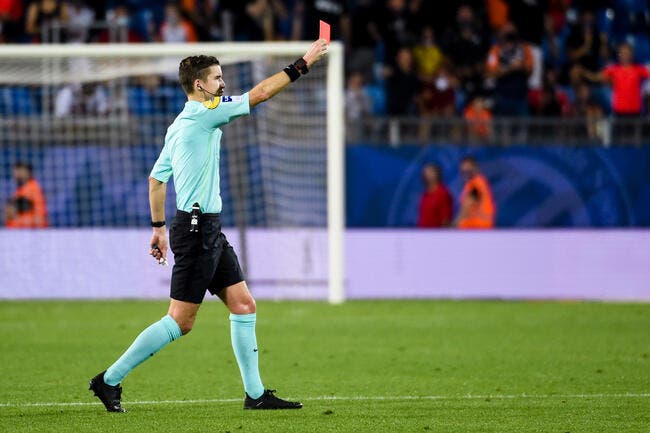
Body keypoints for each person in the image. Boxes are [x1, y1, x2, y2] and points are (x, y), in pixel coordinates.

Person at [88, 38, 329, 412]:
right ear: (200, 85)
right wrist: (306, 61)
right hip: (197, 230)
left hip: (202, 227)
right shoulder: (206, 112)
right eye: (217, 78)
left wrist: (157, 228)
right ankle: (109, 379)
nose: (222, 84)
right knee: (180, 322)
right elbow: (261, 93)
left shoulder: (178, 124)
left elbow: (156, 180)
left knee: (244, 304)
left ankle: (255, 395)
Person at [486, 23, 533, 116]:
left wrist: (522, 66)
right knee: (502, 128)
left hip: (521, 96)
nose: (509, 34)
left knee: (522, 129)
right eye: (506, 32)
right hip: (502, 96)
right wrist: (510, 68)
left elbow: (529, 70)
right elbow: (491, 73)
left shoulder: (525, 48)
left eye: (511, 32)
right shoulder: (495, 50)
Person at [455, 156, 495, 229]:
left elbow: (469, 203)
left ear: (476, 168)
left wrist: (455, 223)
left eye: (468, 168)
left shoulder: (476, 183)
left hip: (476, 228)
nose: (465, 171)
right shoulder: (474, 183)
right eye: (463, 170)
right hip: (476, 228)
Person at [5, 161, 48, 229]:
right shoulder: (19, 191)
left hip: (31, 234)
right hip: (18, 233)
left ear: (27, 172)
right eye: (15, 171)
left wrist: (17, 220)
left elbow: (40, 219)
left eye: (19, 171)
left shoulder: (33, 189)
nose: (16, 174)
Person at [417, 164, 452, 228]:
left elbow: (446, 219)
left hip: (436, 234)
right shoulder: (424, 195)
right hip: (422, 233)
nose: (426, 174)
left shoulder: (443, 193)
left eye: (430, 171)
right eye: (425, 172)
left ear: (437, 174)